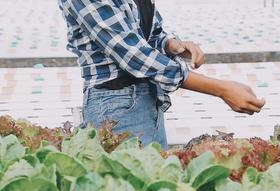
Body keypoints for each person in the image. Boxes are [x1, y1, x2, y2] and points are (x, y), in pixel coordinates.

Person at [58, 0, 265, 149]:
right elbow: (135, 56)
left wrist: (172, 45)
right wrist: (222, 89)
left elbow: (148, 33)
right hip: (115, 106)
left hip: (147, 100)